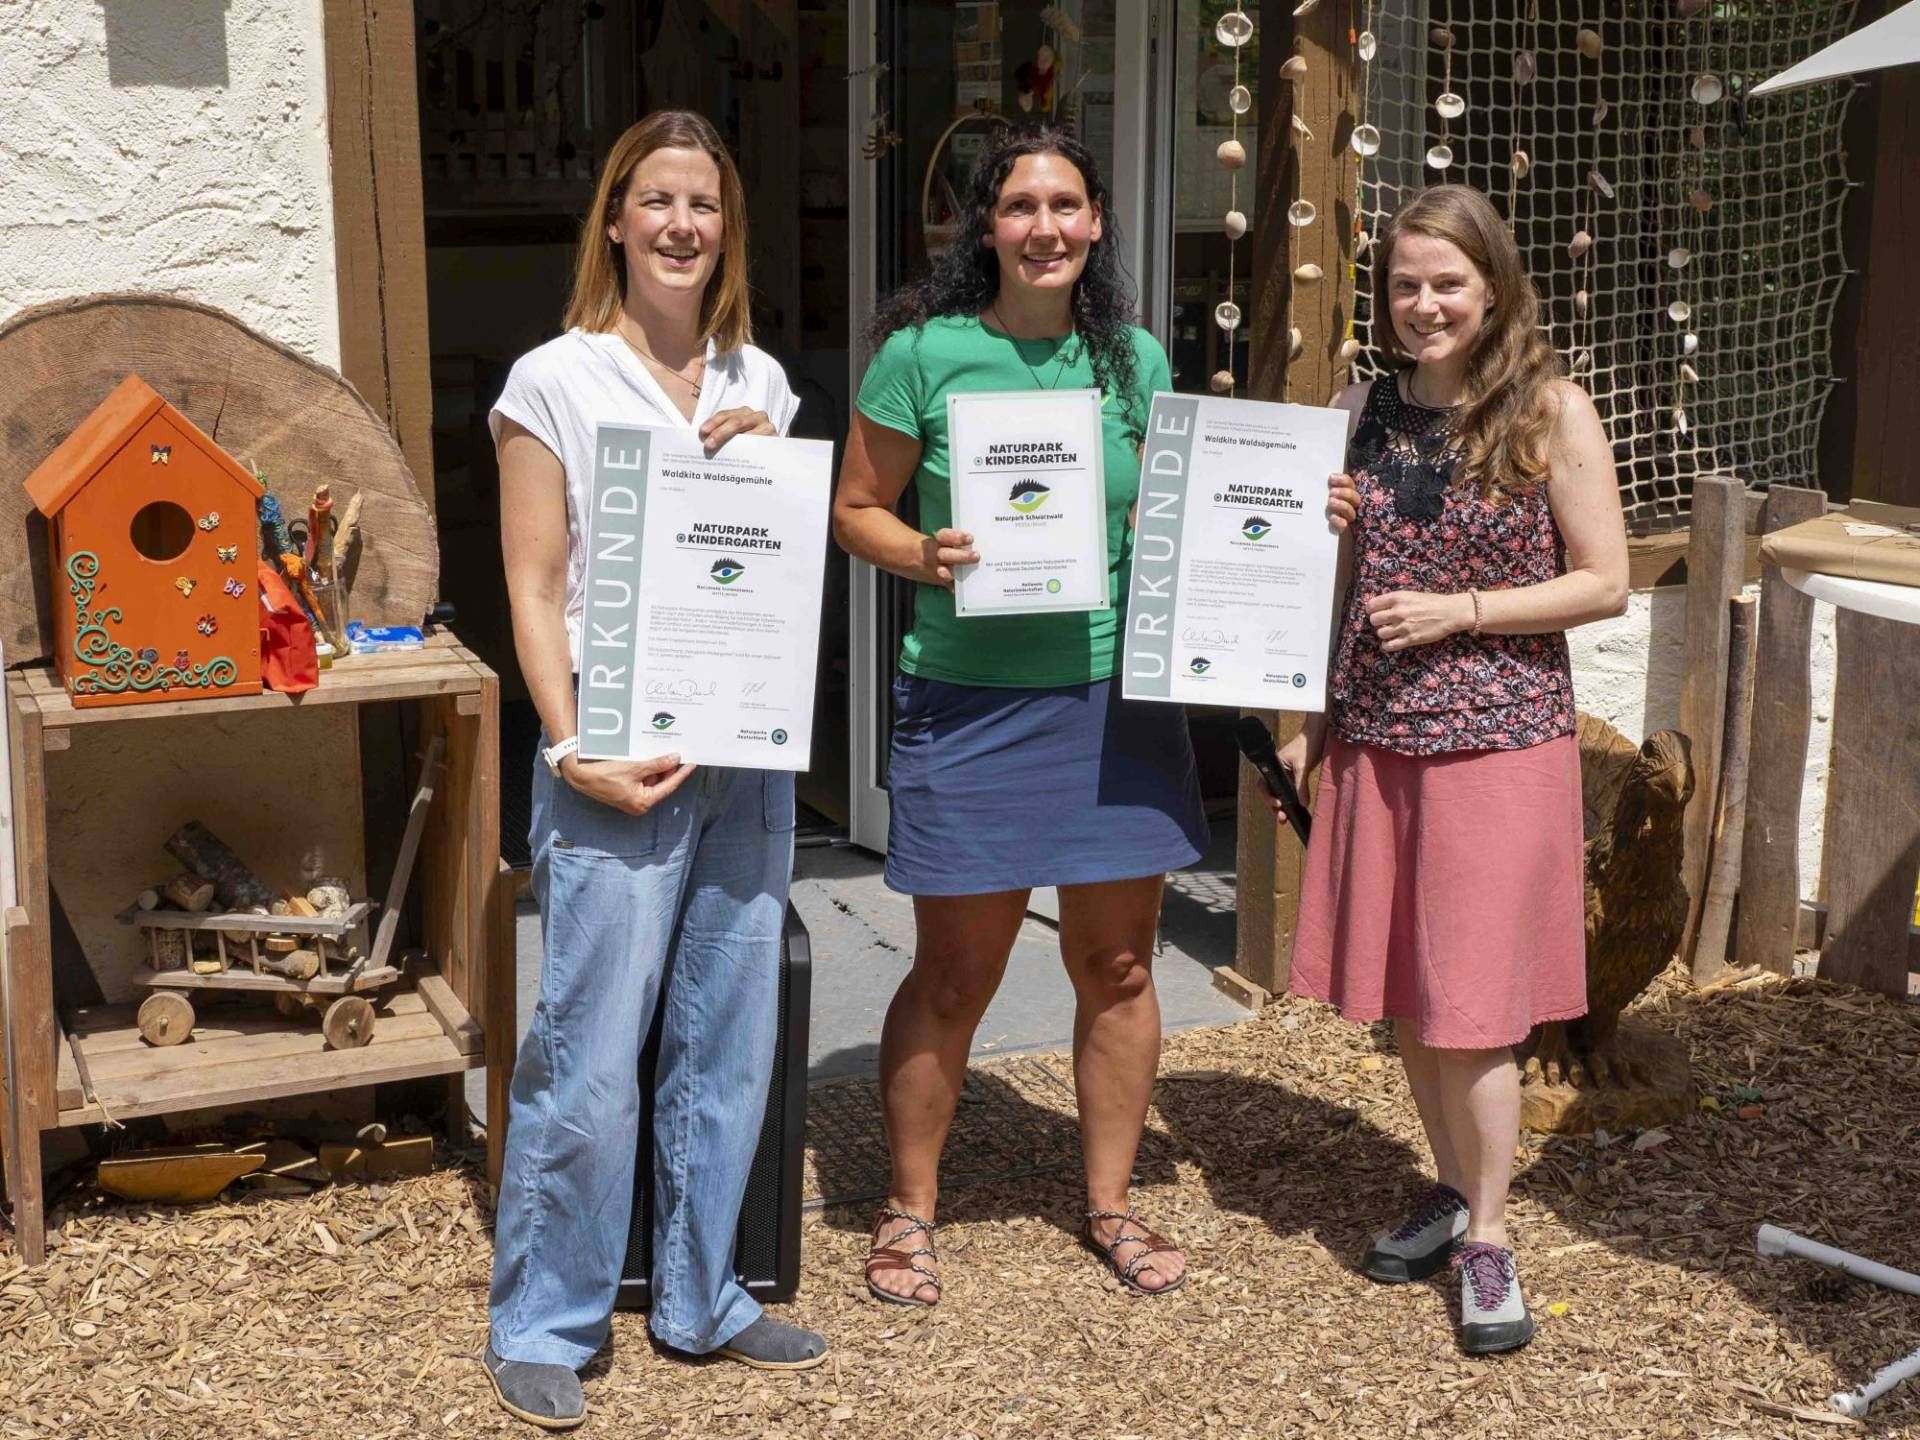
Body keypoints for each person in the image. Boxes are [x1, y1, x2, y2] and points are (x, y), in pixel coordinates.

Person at [485, 109, 827, 1430]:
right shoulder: (553, 380)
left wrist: (770, 470)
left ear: (726, 230)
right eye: (660, 201)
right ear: (618, 222)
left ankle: (703, 1296)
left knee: (728, 1039)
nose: (683, 225)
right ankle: (544, 1323)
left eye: (705, 204)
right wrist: (569, 744)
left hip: (741, 748)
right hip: (614, 748)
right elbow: (534, 581)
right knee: (586, 1054)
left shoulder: (762, 380)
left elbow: (777, 563)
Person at [833, 126, 1210, 1307]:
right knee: (956, 975)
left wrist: (1300, 518)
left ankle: (1110, 1204)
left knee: (1120, 966)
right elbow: (856, 508)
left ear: (1096, 221)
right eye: (1020, 207)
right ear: (985, 228)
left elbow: (1169, 508)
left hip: (1112, 698)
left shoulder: (1133, 359)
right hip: (971, 701)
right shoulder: (923, 354)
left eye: (1066, 205)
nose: (1045, 227)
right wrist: (925, 554)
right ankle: (909, 1209)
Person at [1277, 184, 1628, 1355]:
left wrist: (1463, 610)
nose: (1425, 305)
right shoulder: (1358, 411)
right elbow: (1327, 582)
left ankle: (1489, 1237)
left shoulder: (1548, 411)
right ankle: (1449, 1185)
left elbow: (1606, 583)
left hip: (1499, 740)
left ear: (1494, 288)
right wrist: (1305, 714)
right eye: (1406, 285)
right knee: (1416, 1000)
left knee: (1472, 1007)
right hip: (1378, 735)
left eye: (1449, 284)